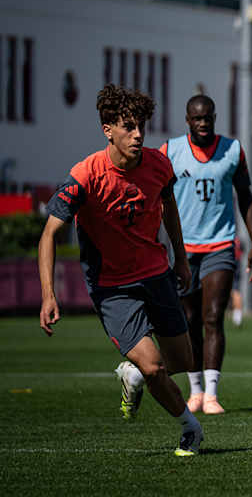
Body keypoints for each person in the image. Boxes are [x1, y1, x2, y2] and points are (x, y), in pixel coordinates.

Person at [37, 85, 203, 456]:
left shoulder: (159, 165)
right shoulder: (85, 175)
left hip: (157, 274)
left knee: (183, 362)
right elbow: (48, 234)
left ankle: (131, 375)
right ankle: (190, 428)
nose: (139, 134)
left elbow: (168, 206)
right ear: (107, 130)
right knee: (156, 367)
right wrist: (49, 294)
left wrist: (180, 257)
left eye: (141, 126)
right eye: (128, 127)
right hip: (113, 288)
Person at [158, 94, 252, 414]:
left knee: (213, 316)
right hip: (183, 249)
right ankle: (196, 390)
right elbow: (157, 198)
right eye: (196, 119)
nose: (203, 124)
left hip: (220, 244)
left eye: (208, 118)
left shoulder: (232, 150)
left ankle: (213, 394)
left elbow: (245, 196)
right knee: (188, 320)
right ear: (187, 120)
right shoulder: (170, 151)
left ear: (214, 118)